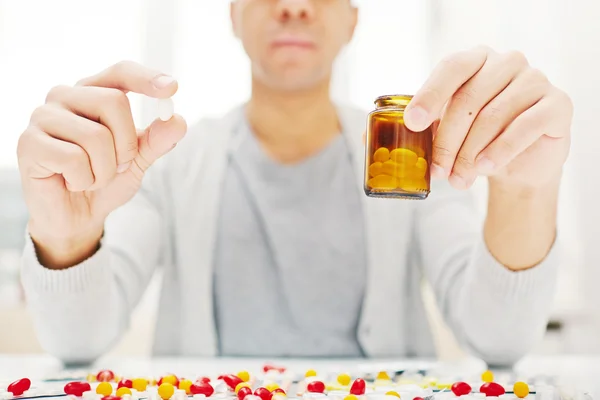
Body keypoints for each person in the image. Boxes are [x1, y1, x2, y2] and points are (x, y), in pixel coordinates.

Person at [18, 0, 571, 366]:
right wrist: (65, 236)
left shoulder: (407, 154)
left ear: (353, 20)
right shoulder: (169, 160)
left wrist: (525, 190)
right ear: (234, 16)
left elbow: (499, 339)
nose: (294, 5)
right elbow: (78, 343)